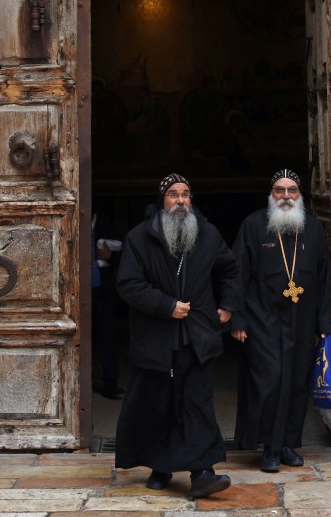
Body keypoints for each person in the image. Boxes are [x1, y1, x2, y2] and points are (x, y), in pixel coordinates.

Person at [114, 173, 241, 499]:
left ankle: (203, 472)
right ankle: (161, 466)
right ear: (162, 201)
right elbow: (128, 284)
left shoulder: (208, 233)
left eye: (186, 194)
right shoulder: (139, 238)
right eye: (173, 194)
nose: (181, 200)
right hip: (157, 338)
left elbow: (230, 269)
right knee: (160, 404)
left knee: (196, 404)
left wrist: (227, 306)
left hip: (197, 336)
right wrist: (166, 305)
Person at [230, 169, 331, 473]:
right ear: (271, 194)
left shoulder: (313, 229)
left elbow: (324, 277)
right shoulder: (253, 226)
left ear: (300, 195)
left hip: (302, 319)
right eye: (280, 190)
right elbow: (237, 274)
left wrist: (326, 324)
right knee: (271, 379)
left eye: (292, 190)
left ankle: (288, 444)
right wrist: (237, 317)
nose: (286, 196)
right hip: (262, 317)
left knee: (296, 382)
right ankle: (269, 447)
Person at [91, 214, 124, 399]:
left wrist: (111, 257)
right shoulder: (70, 221)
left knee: (107, 337)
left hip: (103, 293)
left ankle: (110, 384)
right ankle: (81, 383)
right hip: (76, 292)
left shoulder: (107, 227)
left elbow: (125, 254)